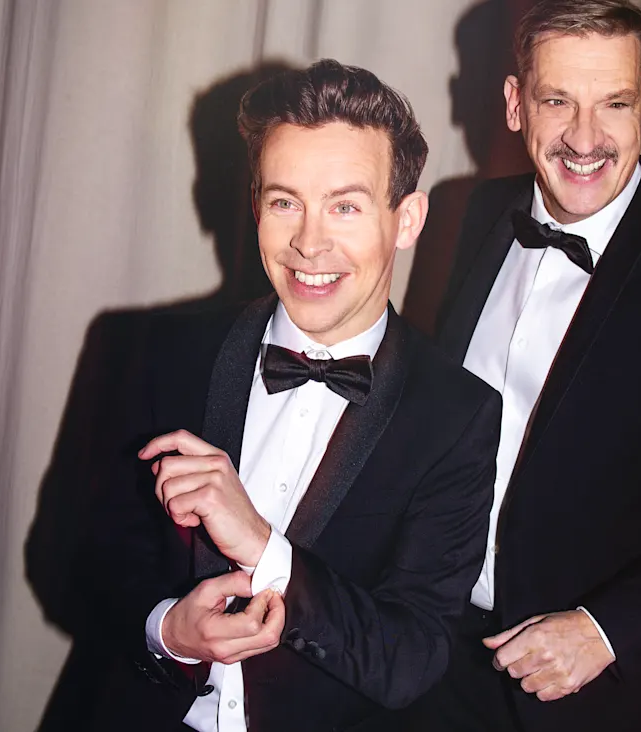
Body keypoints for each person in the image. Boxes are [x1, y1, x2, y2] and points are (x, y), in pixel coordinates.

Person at [405, 1, 641, 731]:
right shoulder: (475, 213)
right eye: (557, 100)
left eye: (614, 103)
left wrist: (605, 631)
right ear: (516, 104)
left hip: (589, 691)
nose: (584, 138)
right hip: (437, 654)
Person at [83, 59, 501, 732]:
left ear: (407, 219)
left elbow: (413, 657)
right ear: (256, 207)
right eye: (285, 202)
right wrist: (168, 630)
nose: (309, 243)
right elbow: (86, 557)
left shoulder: (458, 415)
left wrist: (264, 549)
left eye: (345, 206)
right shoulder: (162, 352)